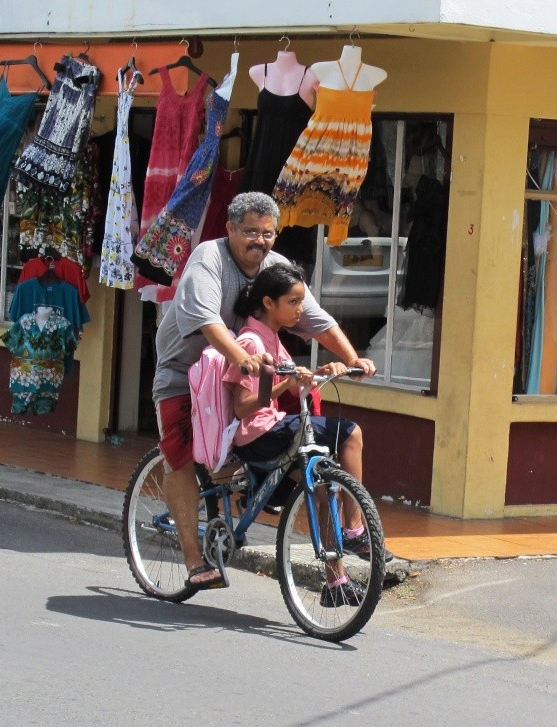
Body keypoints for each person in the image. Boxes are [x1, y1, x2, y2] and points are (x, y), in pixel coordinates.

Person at [152, 191, 377, 591]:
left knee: (314, 452)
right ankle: (193, 560)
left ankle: (333, 575)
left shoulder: (276, 267)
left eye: (268, 233)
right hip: (188, 375)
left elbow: (317, 320)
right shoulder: (209, 258)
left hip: (253, 373)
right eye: (250, 232)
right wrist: (242, 357)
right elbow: (208, 321)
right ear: (230, 229)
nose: (260, 241)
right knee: (180, 457)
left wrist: (353, 359)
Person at [223, 262, 389, 605]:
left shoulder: (273, 338)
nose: (301, 310)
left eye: (301, 301)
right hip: (259, 434)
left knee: (324, 485)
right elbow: (242, 408)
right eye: (294, 302)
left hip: (277, 428)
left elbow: (295, 381)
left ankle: (335, 583)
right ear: (269, 303)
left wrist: (326, 370)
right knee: (351, 434)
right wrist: (288, 381)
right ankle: (355, 529)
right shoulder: (251, 341)